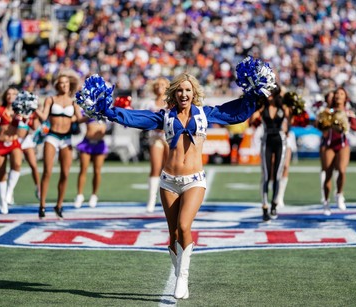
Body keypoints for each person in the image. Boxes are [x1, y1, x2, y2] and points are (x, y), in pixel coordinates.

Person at [78, 71, 266, 300]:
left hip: (194, 180)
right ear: (174, 93)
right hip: (168, 181)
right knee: (173, 233)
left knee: (185, 226)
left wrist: (254, 97)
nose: (183, 94)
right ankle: (179, 270)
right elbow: (136, 118)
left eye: (187, 90)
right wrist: (109, 112)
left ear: (194, 92)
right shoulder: (165, 117)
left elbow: (235, 114)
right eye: (179, 90)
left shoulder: (206, 114)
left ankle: (182, 277)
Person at [35, 69, 82, 219]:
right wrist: (33, 107)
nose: (64, 85)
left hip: (66, 138)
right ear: (57, 85)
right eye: (61, 83)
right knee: (47, 171)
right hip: (52, 136)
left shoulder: (73, 101)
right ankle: (42, 205)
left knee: (65, 173)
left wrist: (94, 115)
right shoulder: (51, 99)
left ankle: (59, 205)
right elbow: (43, 116)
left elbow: (79, 119)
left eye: (66, 83)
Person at [317, 87, 356, 215]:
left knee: (341, 170)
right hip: (329, 145)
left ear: (345, 97)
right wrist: (324, 120)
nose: (338, 96)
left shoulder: (348, 112)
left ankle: (339, 194)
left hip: (342, 145)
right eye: (336, 93)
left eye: (341, 94)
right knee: (328, 173)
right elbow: (320, 127)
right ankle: (326, 201)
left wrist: (348, 122)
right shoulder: (328, 111)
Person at [249, 85, 289, 221]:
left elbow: (292, 119)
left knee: (277, 174)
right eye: (268, 92)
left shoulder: (283, 107)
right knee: (266, 174)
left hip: (280, 141)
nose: (269, 95)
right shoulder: (262, 107)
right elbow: (252, 119)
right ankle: (265, 206)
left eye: (272, 92)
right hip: (267, 140)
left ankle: (274, 204)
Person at [0, 86, 22, 214]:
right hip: (1, 142)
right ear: (5, 96)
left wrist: (23, 119)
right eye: (8, 94)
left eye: (14, 94)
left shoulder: (20, 111)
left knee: (17, 164)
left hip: (14, 142)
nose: (11, 96)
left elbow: (28, 127)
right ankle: (3, 201)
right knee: (2, 173)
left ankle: (9, 192)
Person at [142, 77, 170, 213]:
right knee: (156, 168)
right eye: (157, 84)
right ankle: (151, 199)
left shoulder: (171, 102)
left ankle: (168, 198)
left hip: (169, 137)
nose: (160, 87)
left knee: (170, 169)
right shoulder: (150, 103)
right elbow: (143, 118)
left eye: (163, 85)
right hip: (155, 138)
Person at [74, 115, 108, 208]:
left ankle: (94, 195)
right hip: (87, 143)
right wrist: (90, 114)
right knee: (83, 169)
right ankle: (79, 195)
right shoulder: (90, 107)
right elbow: (78, 120)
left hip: (100, 144)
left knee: (97, 171)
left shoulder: (106, 107)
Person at [17, 112, 41, 199]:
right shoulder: (16, 110)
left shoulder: (30, 112)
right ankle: (9, 191)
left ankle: (38, 188)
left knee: (33, 165)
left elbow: (35, 127)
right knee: (16, 166)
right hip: (16, 140)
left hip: (27, 141)